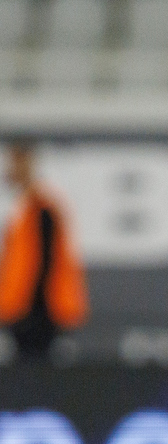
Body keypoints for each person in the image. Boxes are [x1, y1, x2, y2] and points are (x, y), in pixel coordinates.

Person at [0, 140, 87, 363]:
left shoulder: (42, 208)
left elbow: (46, 263)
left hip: (37, 313)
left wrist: (33, 312)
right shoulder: (24, 208)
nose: (9, 170)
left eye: (17, 162)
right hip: (23, 311)